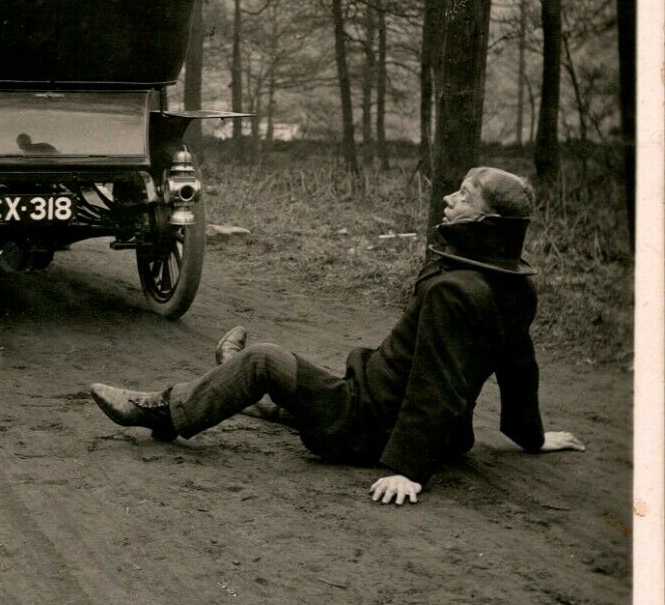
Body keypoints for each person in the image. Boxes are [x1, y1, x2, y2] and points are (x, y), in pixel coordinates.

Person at [89, 166, 585, 505]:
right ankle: (228, 375)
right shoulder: (516, 288)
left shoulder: (455, 291)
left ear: (487, 220)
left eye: (464, 196)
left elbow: (438, 384)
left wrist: (408, 470)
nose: (449, 199)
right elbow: (520, 368)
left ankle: (159, 411)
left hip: (365, 425)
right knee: (285, 390)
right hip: (388, 412)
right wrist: (531, 436)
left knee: (264, 361)